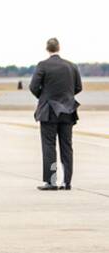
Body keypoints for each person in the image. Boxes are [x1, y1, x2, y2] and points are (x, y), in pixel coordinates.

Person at [29, 37, 81, 190]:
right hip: (68, 111)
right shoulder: (72, 66)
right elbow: (78, 87)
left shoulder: (43, 65)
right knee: (67, 146)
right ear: (59, 47)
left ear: (47, 49)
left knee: (49, 146)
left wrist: (44, 97)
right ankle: (67, 182)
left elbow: (33, 87)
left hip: (49, 111)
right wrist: (67, 97)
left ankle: (51, 181)